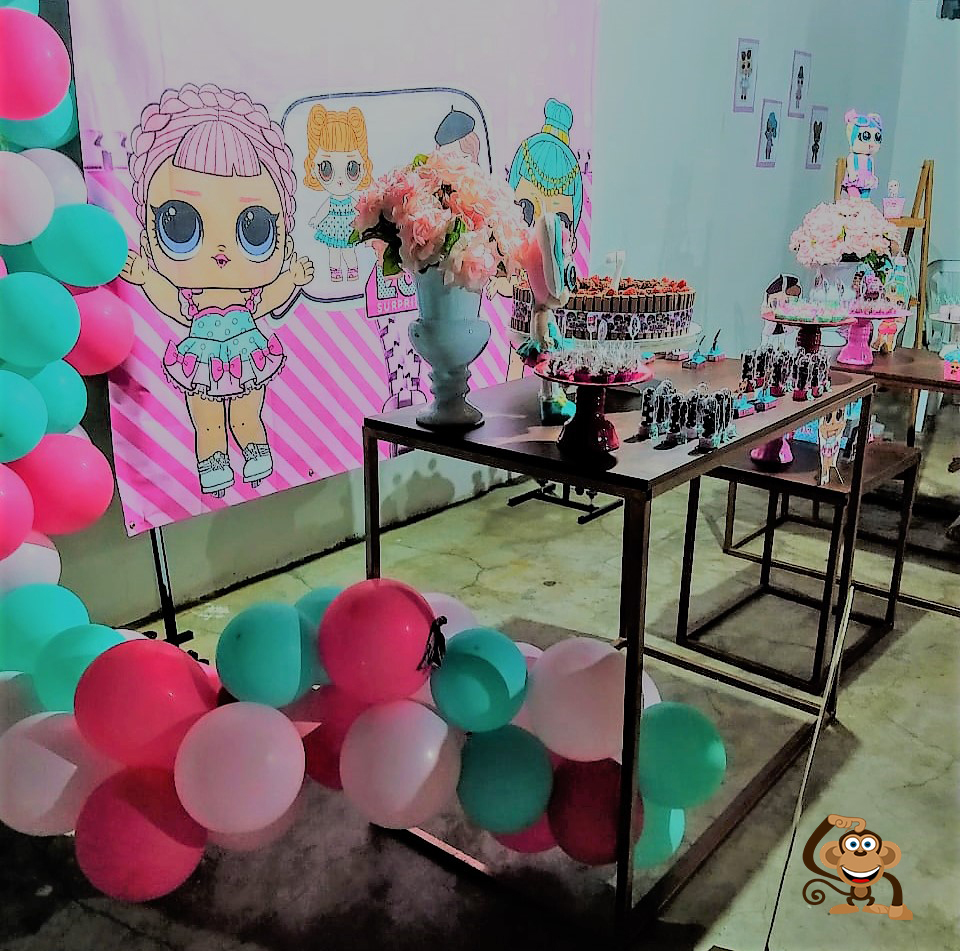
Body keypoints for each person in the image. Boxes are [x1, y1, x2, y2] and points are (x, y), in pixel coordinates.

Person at [121, 82, 314, 497]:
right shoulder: (191, 300)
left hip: (246, 352)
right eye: (180, 226)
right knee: (207, 421)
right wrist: (146, 277)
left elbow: (269, 297)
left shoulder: (249, 297)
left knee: (246, 415)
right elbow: (171, 302)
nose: (222, 251)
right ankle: (213, 463)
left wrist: (291, 279)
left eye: (255, 229)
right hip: (201, 358)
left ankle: (255, 450)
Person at [304, 105, 373, 283]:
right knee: (333, 251)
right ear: (314, 169)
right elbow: (324, 210)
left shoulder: (353, 200)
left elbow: (361, 211)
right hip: (332, 228)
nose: (340, 180)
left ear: (363, 167)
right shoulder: (331, 201)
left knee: (349, 251)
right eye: (326, 169)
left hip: (349, 228)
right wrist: (316, 220)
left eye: (352, 169)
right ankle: (335, 272)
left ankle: (352, 271)